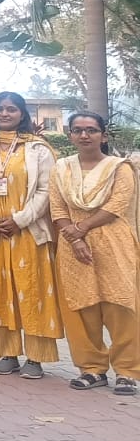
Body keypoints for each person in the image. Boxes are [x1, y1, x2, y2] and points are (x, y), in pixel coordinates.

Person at [0, 90, 61, 379]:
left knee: (32, 289)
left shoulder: (38, 149)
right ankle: (7, 353)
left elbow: (46, 190)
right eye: (0, 108)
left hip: (28, 232)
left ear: (22, 114)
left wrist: (19, 220)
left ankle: (35, 358)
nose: (5, 113)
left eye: (11, 109)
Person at [52, 111, 140, 395]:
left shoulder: (119, 168)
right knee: (82, 307)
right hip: (72, 245)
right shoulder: (61, 168)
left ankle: (127, 371)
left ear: (103, 135)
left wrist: (82, 229)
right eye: (77, 130)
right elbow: (57, 207)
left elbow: (117, 204)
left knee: (120, 306)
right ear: (70, 135)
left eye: (91, 130)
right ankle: (91, 369)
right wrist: (75, 238)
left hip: (113, 241)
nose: (84, 135)